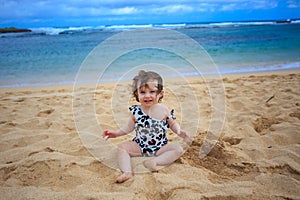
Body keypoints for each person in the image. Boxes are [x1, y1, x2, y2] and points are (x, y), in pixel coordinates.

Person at [103, 70, 191, 183]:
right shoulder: (136, 112)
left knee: (178, 149)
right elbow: (128, 128)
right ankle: (127, 172)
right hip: (140, 146)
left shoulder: (164, 109)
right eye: (143, 92)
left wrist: (180, 132)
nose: (147, 95)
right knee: (121, 148)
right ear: (137, 94)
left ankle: (155, 162)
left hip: (160, 147)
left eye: (152, 92)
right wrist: (115, 134)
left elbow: (173, 124)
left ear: (160, 94)